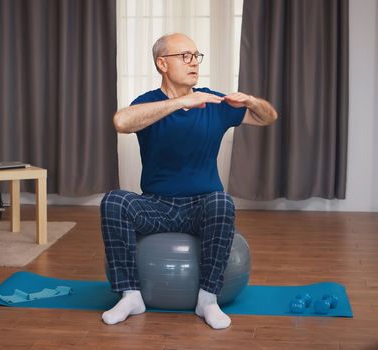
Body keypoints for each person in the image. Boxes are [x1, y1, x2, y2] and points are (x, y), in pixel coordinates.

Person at [100, 33, 277, 329]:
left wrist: (251, 100)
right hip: (157, 206)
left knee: (222, 201)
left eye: (196, 55)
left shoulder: (213, 101)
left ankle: (207, 300)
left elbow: (267, 117)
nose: (194, 62)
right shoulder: (149, 103)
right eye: (185, 56)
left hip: (202, 207)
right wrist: (181, 102)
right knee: (114, 200)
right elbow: (121, 122)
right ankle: (131, 295)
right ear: (162, 64)